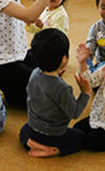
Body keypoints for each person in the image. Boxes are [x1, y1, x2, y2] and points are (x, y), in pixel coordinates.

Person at [19, 29, 91, 157]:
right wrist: (85, 92)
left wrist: (57, 76)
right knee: (81, 138)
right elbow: (74, 113)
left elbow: (45, 89)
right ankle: (53, 150)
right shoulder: (62, 88)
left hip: (32, 126)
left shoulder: (34, 73)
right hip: (54, 134)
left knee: (23, 132)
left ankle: (31, 143)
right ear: (64, 59)